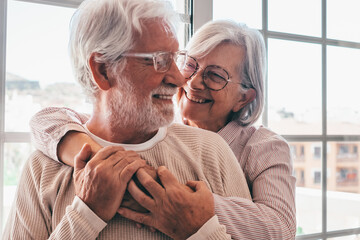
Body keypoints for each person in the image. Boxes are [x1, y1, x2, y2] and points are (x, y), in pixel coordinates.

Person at [3, 0, 252, 239]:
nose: (178, 78)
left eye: (175, 58)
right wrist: (85, 216)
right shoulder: (42, 169)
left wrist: (199, 232)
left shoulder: (211, 151)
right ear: (102, 70)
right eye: (159, 60)